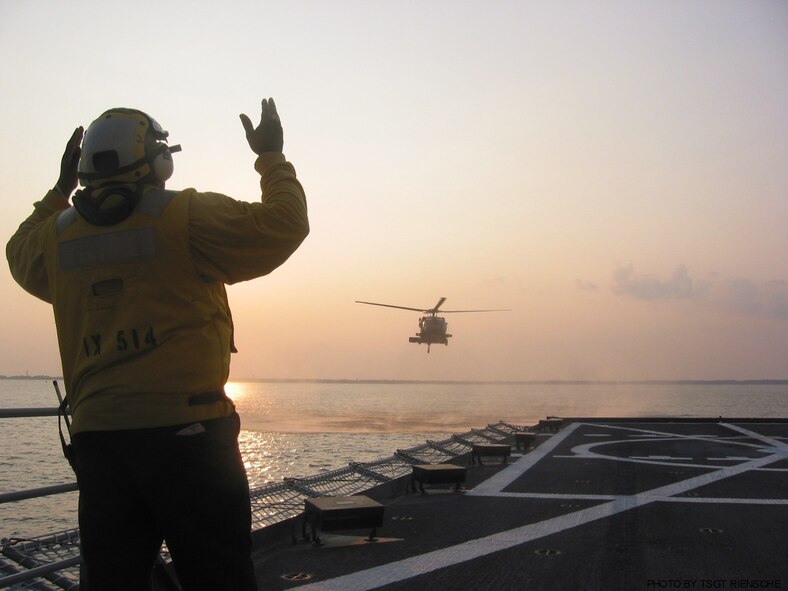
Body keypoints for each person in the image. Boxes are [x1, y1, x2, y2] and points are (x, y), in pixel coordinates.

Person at [6, 98, 309, 590]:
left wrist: (60, 191)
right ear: (158, 161)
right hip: (190, 440)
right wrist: (271, 157)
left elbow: (17, 251)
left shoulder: (55, 241)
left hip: (101, 447)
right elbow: (284, 224)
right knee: (220, 577)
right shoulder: (185, 217)